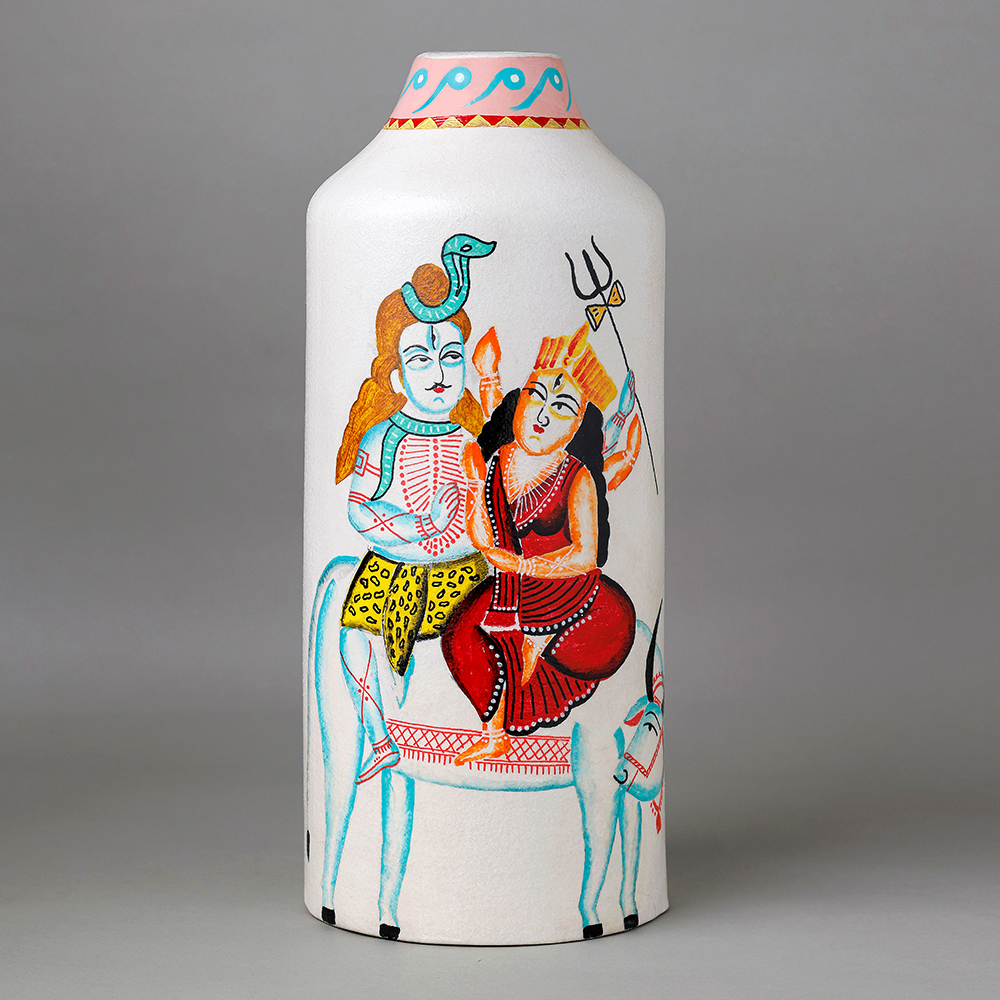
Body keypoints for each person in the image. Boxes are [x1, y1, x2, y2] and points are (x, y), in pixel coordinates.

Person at [442, 325, 636, 765]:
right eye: (536, 396)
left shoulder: (577, 477)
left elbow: (586, 556)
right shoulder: (497, 460)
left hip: (567, 592)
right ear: (519, 400)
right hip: (510, 589)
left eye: (561, 408)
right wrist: (473, 488)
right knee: (462, 636)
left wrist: (526, 566)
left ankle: (537, 649)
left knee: (610, 628)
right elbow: (483, 536)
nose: (542, 416)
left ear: (576, 425)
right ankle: (495, 733)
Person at [335, 263, 489, 783]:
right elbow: (360, 508)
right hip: (393, 568)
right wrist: (419, 525)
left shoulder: (472, 441)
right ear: (398, 377)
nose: (440, 373)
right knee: (354, 641)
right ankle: (378, 737)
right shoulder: (381, 438)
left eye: (452, 357)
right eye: (421, 359)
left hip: (461, 570)